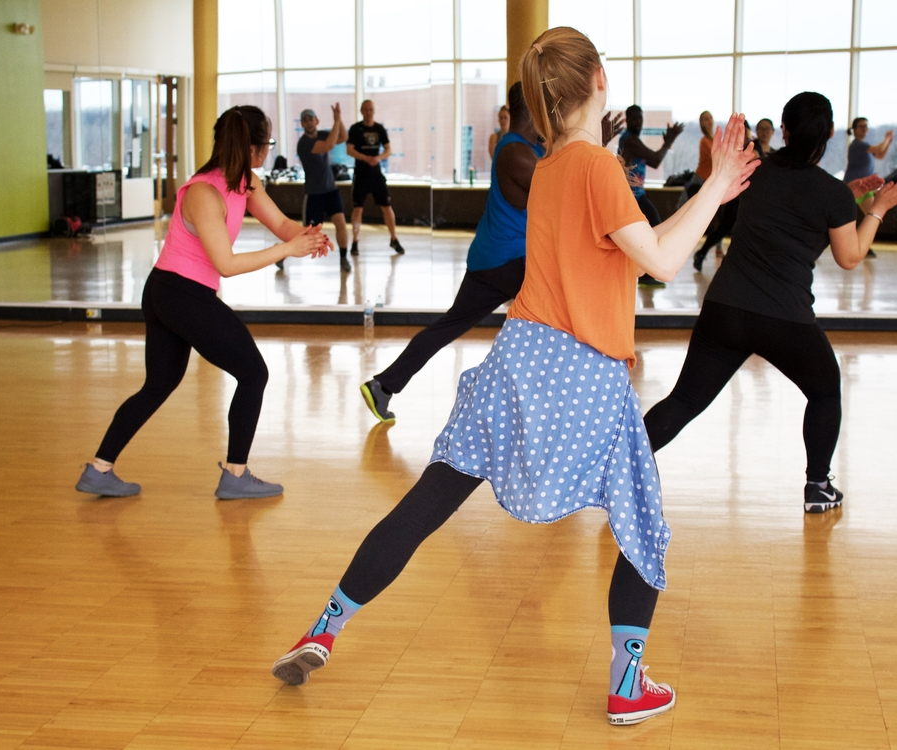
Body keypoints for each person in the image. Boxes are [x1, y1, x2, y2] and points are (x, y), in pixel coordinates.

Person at [271, 26, 757, 727]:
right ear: (598, 82)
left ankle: (324, 627)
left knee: (427, 503)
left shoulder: (554, 164)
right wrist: (714, 185)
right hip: (584, 370)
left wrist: (711, 189)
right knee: (642, 523)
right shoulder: (596, 167)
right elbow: (662, 263)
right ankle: (627, 684)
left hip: (517, 356)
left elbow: (643, 245)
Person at [642, 91, 897, 516]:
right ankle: (818, 486)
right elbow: (850, 257)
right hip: (784, 318)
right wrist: (877, 207)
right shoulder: (831, 194)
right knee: (825, 391)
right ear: (828, 134)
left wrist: (846, 195)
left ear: (783, 130)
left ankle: (622, 469)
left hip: (726, 309)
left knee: (685, 400)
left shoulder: (755, 171)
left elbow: (787, 194)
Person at [75, 106, 332, 500]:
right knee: (254, 374)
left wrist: (308, 236)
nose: (267, 152)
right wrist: (287, 250)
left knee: (159, 384)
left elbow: (282, 224)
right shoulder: (203, 193)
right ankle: (235, 474)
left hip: (173, 292)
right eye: (266, 144)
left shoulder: (246, 183)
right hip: (179, 294)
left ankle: (99, 469)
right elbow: (225, 265)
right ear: (253, 148)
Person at [359, 84, 622, 423]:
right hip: (509, 261)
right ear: (533, 109)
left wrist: (590, 141)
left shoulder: (526, 148)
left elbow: (560, 164)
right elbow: (565, 184)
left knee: (450, 327)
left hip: (491, 258)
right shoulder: (516, 153)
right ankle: (562, 408)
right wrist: (593, 141)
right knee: (566, 320)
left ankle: (383, 385)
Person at [619, 105, 684, 288]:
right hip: (632, 195)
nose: (638, 122)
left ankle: (645, 271)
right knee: (655, 227)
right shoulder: (630, 140)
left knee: (653, 227)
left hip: (637, 194)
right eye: (634, 119)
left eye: (640, 118)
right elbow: (655, 161)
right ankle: (647, 272)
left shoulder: (632, 139)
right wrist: (668, 142)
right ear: (627, 120)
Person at [292, 104, 350, 273]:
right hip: (314, 194)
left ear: (317, 121)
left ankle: (343, 258)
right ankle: (283, 255)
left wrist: (339, 120)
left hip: (331, 190)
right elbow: (329, 146)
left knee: (340, 222)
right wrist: (336, 120)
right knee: (306, 233)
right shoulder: (304, 143)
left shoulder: (324, 134)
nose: (308, 122)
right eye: (305, 120)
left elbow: (343, 137)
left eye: (311, 119)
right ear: (302, 124)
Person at [692, 120, 754, 272]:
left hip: (752, 196)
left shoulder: (757, 147)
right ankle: (702, 253)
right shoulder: (736, 149)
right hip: (735, 194)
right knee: (725, 226)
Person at [347, 100, 404, 256]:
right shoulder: (355, 129)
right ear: (361, 111)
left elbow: (388, 149)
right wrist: (365, 158)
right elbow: (349, 150)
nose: (368, 112)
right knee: (358, 209)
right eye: (365, 109)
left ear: (374, 111)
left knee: (387, 207)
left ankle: (394, 238)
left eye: (371, 109)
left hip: (376, 174)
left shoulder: (379, 129)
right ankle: (355, 241)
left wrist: (378, 158)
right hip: (361, 174)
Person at [843, 117, 894, 258]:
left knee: (870, 215)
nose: (865, 129)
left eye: (866, 126)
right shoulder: (857, 145)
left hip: (864, 188)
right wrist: (887, 139)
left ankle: (864, 245)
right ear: (854, 130)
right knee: (871, 215)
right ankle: (861, 245)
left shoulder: (864, 145)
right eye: (861, 126)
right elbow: (879, 149)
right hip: (855, 187)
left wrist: (888, 142)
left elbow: (880, 154)